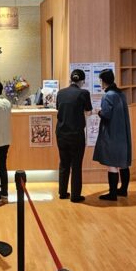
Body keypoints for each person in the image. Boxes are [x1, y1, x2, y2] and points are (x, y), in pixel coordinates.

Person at [93, 69, 132, 201]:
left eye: (100, 80)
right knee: (123, 164)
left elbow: (106, 115)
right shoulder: (121, 94)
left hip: (112, 133)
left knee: (112, 164)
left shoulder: (108, 95)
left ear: (103, 81)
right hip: (123, 133)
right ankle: (123, 190)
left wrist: (99, 112)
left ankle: (113, 193)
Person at [56, 69, 92, 203]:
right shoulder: (84, 93)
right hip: (76, 134)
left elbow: (59, 109)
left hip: (61, 133)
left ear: (71, 79)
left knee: (64, 163)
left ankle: (62, 192)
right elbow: (88, 112)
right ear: (82, 81)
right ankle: (75, 196)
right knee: (76, 165)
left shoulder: (60, 93)